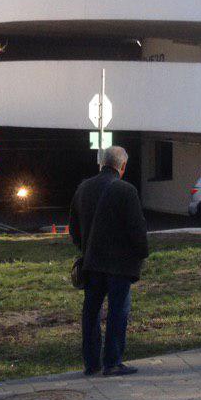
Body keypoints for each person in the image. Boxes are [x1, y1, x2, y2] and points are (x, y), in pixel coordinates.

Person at [69, 145, 149, 377]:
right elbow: (137, 229)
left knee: (91, 312)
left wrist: (86, 248)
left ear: (102, 164)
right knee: (117, 311)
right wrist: (142, 253)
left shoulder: (83, 188)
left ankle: (91, 363)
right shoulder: (126, 190)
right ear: (122, 166)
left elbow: (74, 229)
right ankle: (112, 362)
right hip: (120, 265)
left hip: (92, 263)